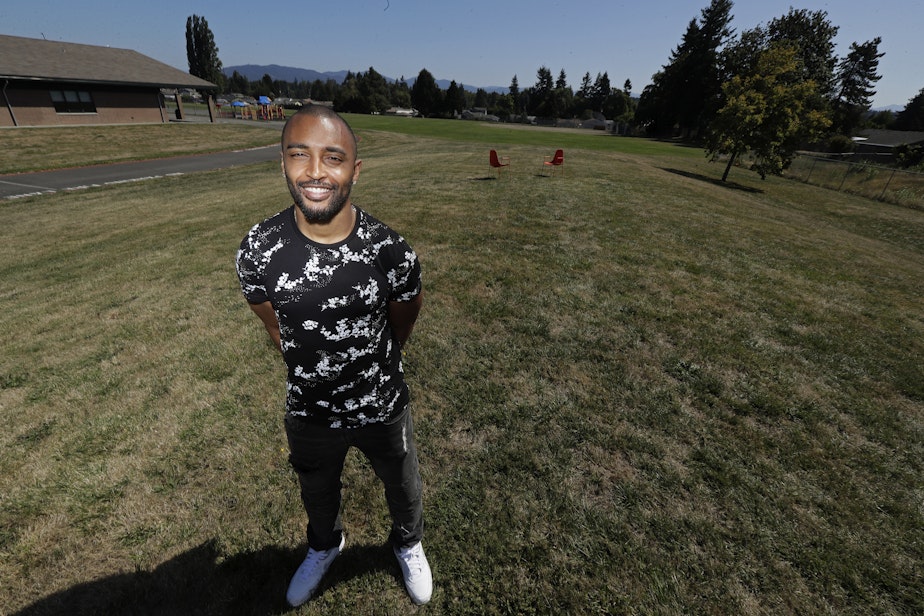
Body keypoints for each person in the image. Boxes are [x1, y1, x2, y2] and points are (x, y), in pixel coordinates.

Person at [235, 105, 431, 607]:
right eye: (299, 154)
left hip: (382, 404)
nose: (316, 171)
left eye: (333, 157)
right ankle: (325, 545)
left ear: (354, 171)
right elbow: (271, 321)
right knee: (317, 490)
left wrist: (374, 364)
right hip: (309, 411)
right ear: (282, 163)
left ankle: (408, 542)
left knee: (402, 484)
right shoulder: (258, 248)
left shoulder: (391, 251)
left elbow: (403, 317)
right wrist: (308, 365)